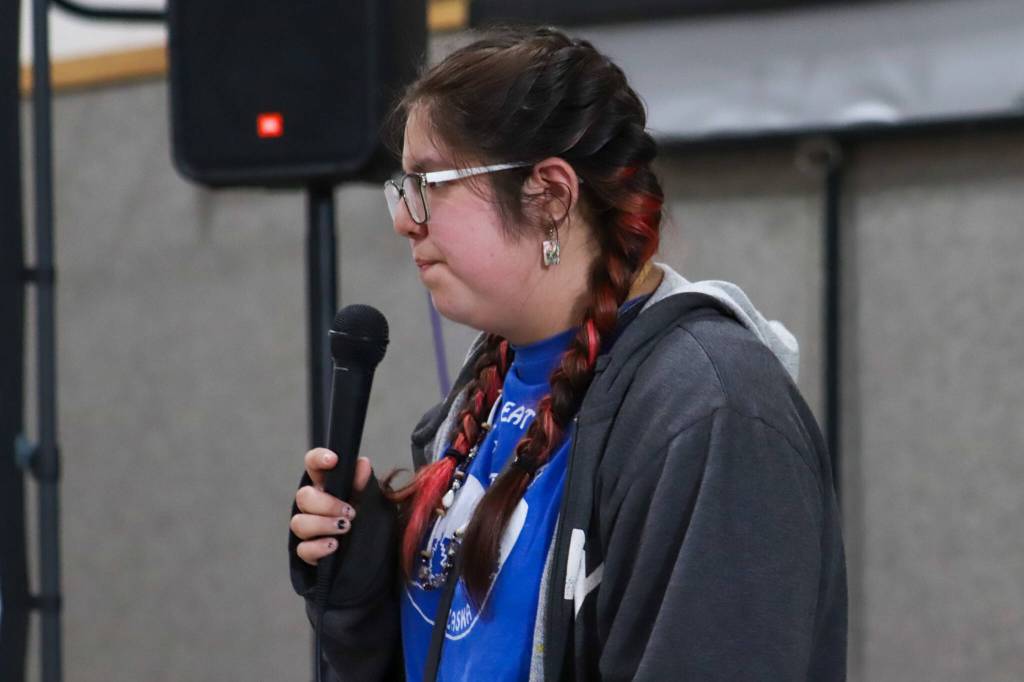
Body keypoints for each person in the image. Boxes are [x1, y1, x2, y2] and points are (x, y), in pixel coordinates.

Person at [288, 26, 847, 681]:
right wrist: (360, 600)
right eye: (402, 188)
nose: (403, 219)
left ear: (550, 195)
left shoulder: (710, 411)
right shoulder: (483, 394)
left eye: (428, 184)